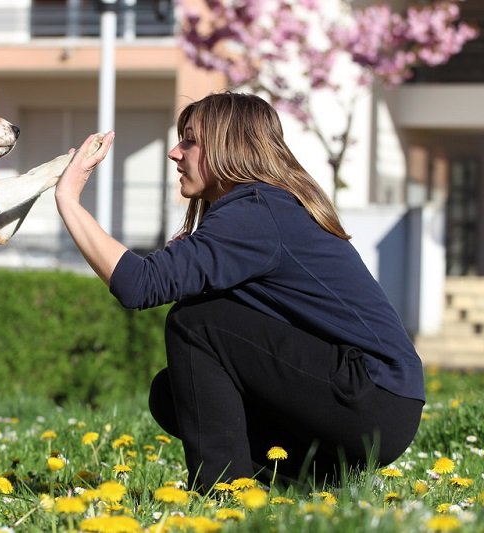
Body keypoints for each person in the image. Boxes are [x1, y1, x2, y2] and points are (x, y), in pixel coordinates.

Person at [54, 91, 424, 492]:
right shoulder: (260, 209)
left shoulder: (258, 211)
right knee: (173, 393)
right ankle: (303, 484)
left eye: (190, 141)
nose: (175, 153)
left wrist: (68, 199)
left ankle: (223, 492)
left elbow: (138, 284)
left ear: (230, 147)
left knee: (196, 323)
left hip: (371, 397)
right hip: (376, 405)